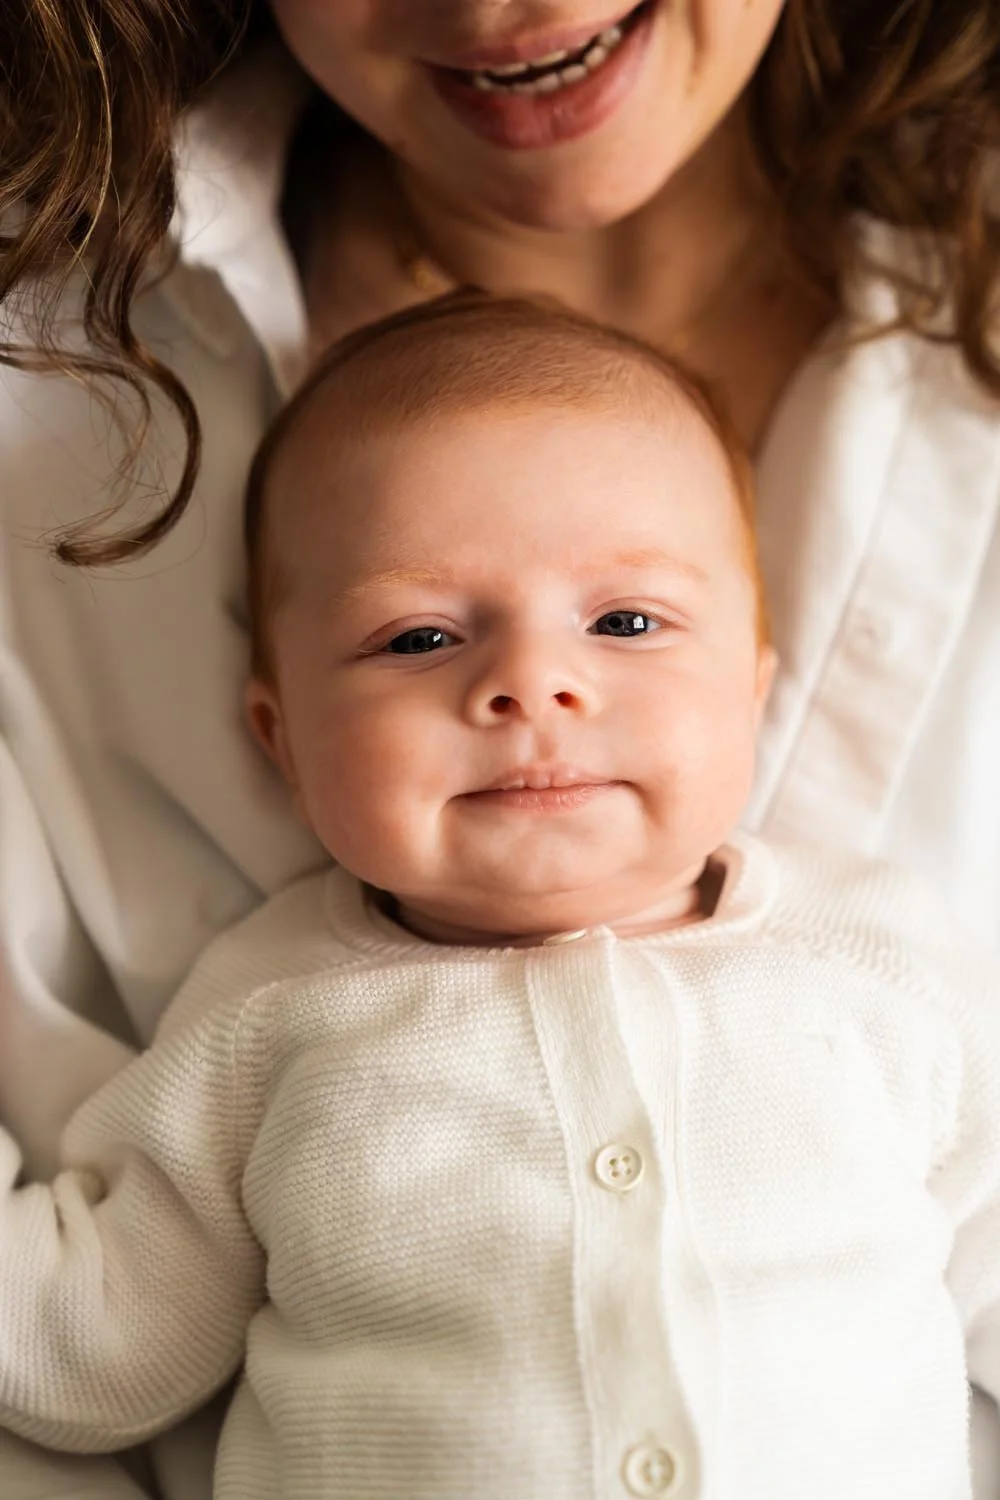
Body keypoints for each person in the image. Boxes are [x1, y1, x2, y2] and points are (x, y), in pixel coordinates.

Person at [2, 3, 1000, 1497]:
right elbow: (89, 1351)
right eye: (418, 638)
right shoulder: (262, 1027)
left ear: (755, 688)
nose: (532, 687)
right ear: (278, 736)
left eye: (628, 624)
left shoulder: (880, 976)